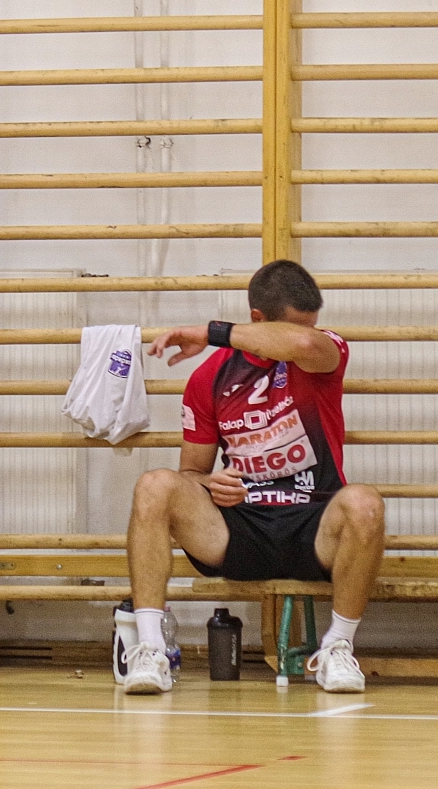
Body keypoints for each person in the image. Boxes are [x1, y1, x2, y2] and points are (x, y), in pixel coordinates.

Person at [122, 259, 383, 694]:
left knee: (365, 502)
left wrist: (208, 331)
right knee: (155, 485)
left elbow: (303, 342)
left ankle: (337, 648)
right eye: (289, 328)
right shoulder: (210, 377)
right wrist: (209, 484)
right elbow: (192, 472)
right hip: (241, 528)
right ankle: (150, 650)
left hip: (314, 525)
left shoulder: (325, 350)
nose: (306, 337)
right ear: (258, 320)